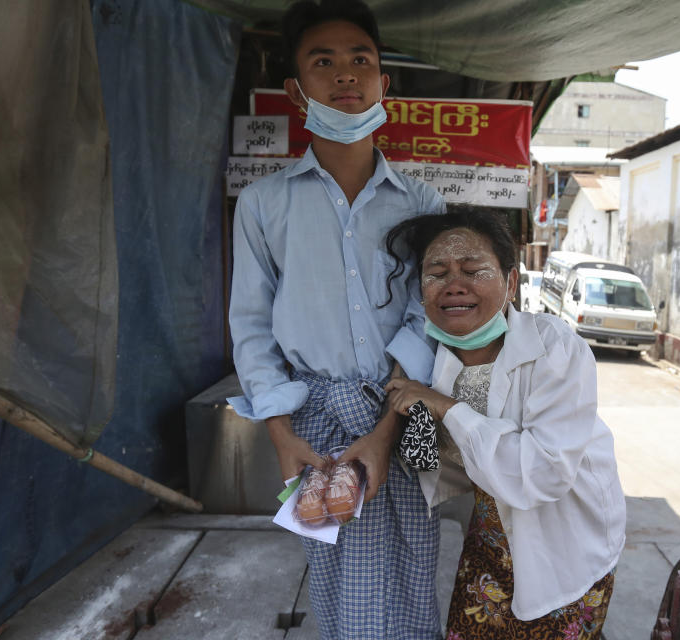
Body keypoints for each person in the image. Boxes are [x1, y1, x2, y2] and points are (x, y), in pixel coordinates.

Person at [227, 1, 445, 638]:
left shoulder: (423, 201)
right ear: (296, 91)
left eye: (361, 60)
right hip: (315, 418)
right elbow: (251, 324)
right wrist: (278, 430)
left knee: (415, 563)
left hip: (407, 411)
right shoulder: (265, 203)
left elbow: (429, 318)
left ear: (386, 85)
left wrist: (384, 429)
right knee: (335, 574)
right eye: (323, 62)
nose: (345, 75)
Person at [382, 208, 626, 639]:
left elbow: (543, 472)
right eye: (437, 272)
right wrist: (413, 416)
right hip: (491, 538)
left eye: (474, 270)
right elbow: (425, 461)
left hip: (565, 541)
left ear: (511, 283)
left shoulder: (555, 349)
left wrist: (445, 406)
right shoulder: (426, 356)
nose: (454, 284)